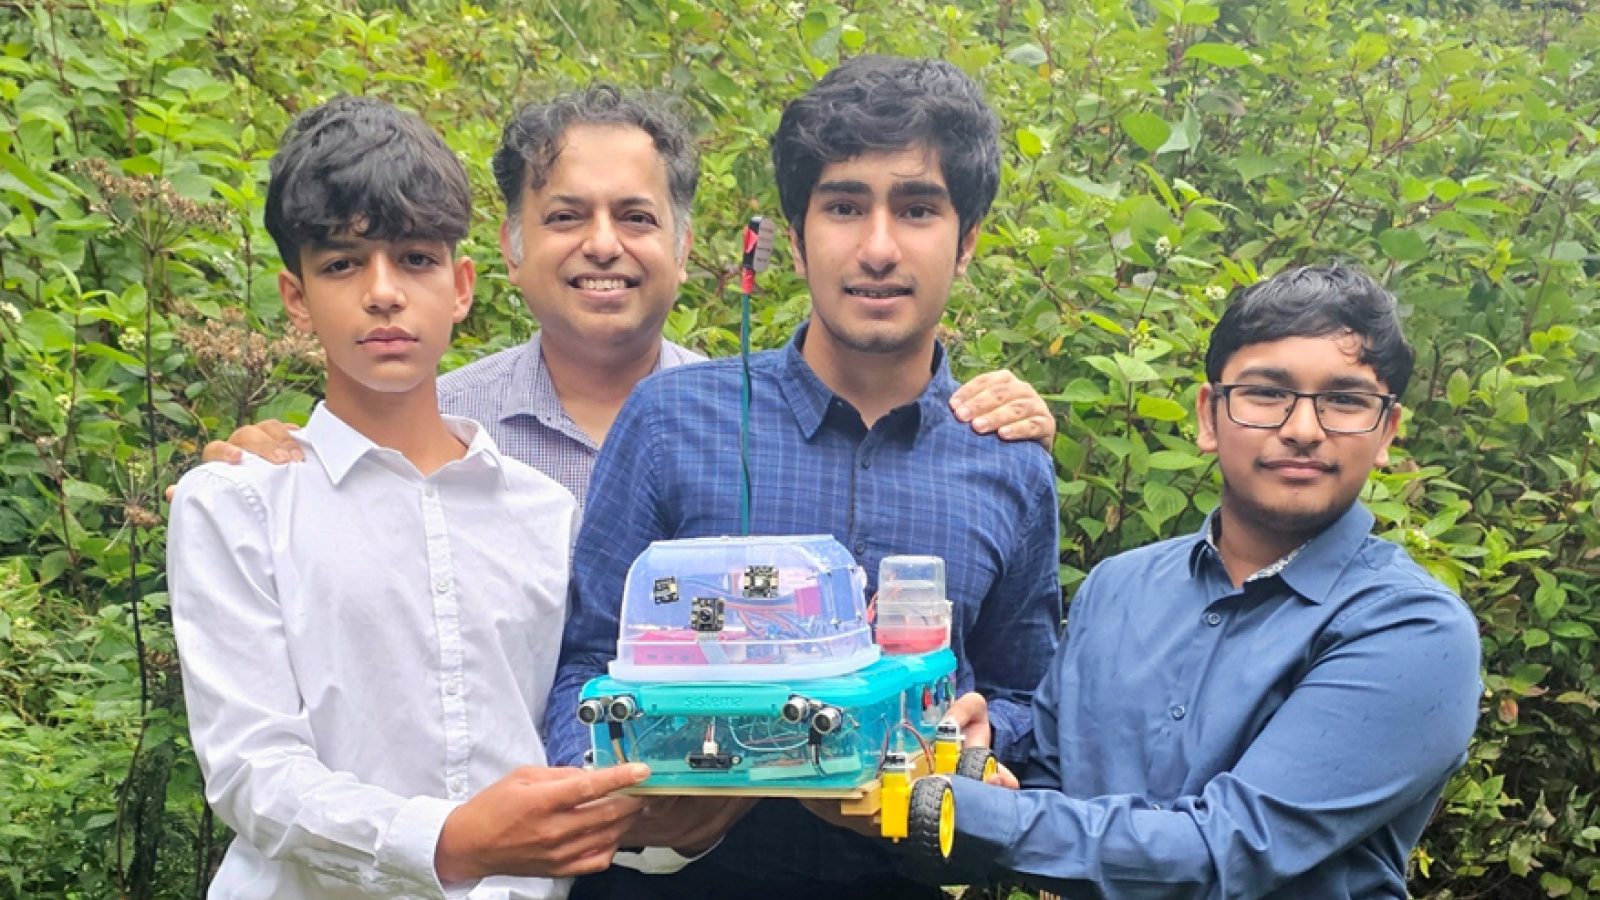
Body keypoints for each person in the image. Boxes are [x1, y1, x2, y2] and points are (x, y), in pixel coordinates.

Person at [546, 56, 1062, 900]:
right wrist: (627, 803)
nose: (879, 246)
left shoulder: (1004, 456)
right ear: (795, 237)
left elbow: (1030, 696)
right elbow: (579, 665)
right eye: (845, 205)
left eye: (919, 208)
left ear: (967, 241)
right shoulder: (674, 422)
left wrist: (986, 729)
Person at [167, 96, 652, 900]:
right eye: (342, 264)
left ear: (461, 286)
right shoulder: (238, 504)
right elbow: (253, 771)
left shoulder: (545, 513)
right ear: (296, 298)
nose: (383, 293)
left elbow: (566, 722)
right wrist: (448, 840)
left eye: (416, 260)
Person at [206, 85, 1058, 504]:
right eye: (568, 215)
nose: (603, 245)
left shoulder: (749, 423)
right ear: (508, 250)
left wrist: (987, 416)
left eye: (637, 217)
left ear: (684, 249)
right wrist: (260, 470)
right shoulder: (438, 429)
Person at [943, 263, 1482, 899]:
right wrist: (979, 759)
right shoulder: (1116, 588)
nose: (1303, 429)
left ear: (1387, 429)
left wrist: (947, 810)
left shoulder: (1413, 630)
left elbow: (1229, 850)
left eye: (1344, 400)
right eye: (1266, 393)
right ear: (1209, 415)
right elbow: (1046, 786)